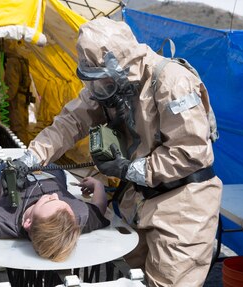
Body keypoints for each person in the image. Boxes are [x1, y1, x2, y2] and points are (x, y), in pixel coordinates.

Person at [21, 17, 222, 286]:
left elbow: (191, 151)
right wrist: (33, 156)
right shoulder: (107, 86)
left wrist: (131, 169)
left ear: (122, 66)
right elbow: (72, 121)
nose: (96, 91)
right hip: (140, 201)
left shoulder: (172, 82)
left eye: (101, 81)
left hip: (183, 204)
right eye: (92, 81)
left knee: (169, 281)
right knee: (132, 278)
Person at [0, 148, 110, 262]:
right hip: (50, 172)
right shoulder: (76, 217)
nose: (55, 196)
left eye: (49, 200)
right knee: (50, 157)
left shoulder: (1, 220)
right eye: (59, 200)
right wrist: (97, 186)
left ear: (28, 222)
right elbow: (99, 208)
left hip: (4, 179)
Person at [4, 42, 32, 145]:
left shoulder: (12, 62)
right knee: (23, 127)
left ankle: (23, 153)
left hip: (16, 101)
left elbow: (12, 86)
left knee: (18, 128)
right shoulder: (23, 60)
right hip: (23, 98)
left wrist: (4, 100)